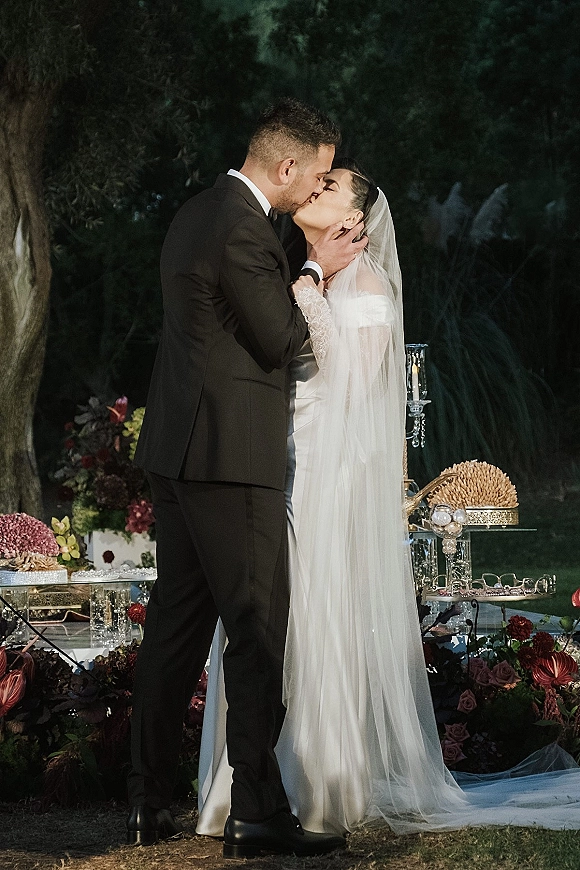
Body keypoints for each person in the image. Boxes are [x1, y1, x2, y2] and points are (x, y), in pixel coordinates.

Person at [197, 159, 580, 837]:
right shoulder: (299, 264)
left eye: (330, 186)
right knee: (261, 618)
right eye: (316, 181)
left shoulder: (367, 286)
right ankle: (248, 788)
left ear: (354, 218)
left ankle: (318, 783)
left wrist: (310, 289)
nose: (314, 188)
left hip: (323, 478)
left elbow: (348, 385)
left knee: (313, 620)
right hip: (281, 467)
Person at [127, 100, 368, 857]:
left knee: (174, 632)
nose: (318, 188)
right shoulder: (243, 226)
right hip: (232, 459)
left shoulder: (198, 209)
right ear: (288, 165)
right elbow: (282, 339)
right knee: (257, 633)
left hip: (177, 451)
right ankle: (258, 812)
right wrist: (313, 269)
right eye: (318, 174)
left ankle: (147, 804)